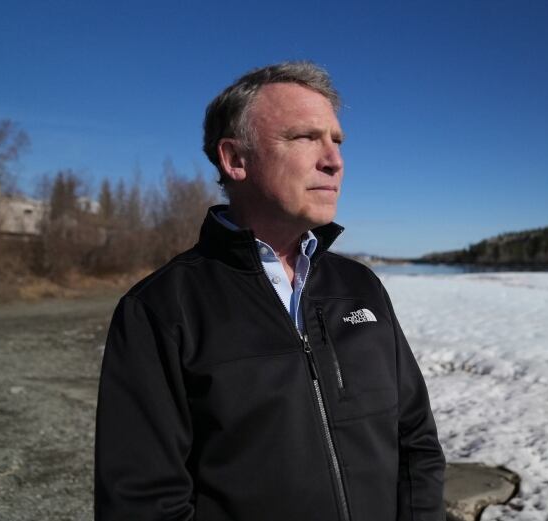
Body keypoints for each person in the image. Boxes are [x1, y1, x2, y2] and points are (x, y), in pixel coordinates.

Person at [94, 61, 445, 521]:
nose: (334, 160)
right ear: (235, 159)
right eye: (304, 137)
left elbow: (415, 440)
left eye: (336, 140)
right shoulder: (162, 308)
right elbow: (142, 502)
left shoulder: (360, 288)